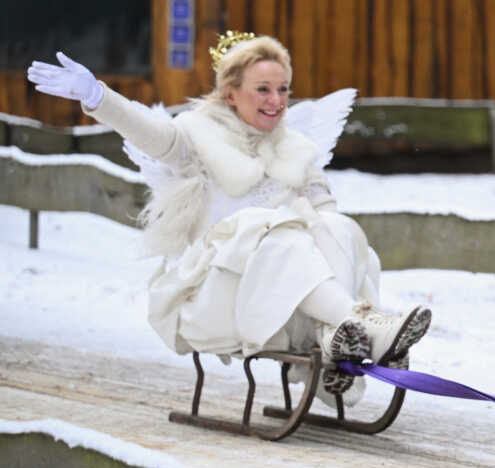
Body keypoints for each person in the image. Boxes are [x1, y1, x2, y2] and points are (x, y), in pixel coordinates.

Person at [26, 32, 432, 402]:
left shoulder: (296, 150)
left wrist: (335, 237)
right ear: (231, 94)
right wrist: (98, 96)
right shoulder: (195, 136)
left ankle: (335, 340)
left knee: (338, 227)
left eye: (283, 89)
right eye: (263, 90)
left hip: (284, 300)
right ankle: (360, 325)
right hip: (216, 295)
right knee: (270, 229)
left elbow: (335, 233)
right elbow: (153, 134)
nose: (276, 100)